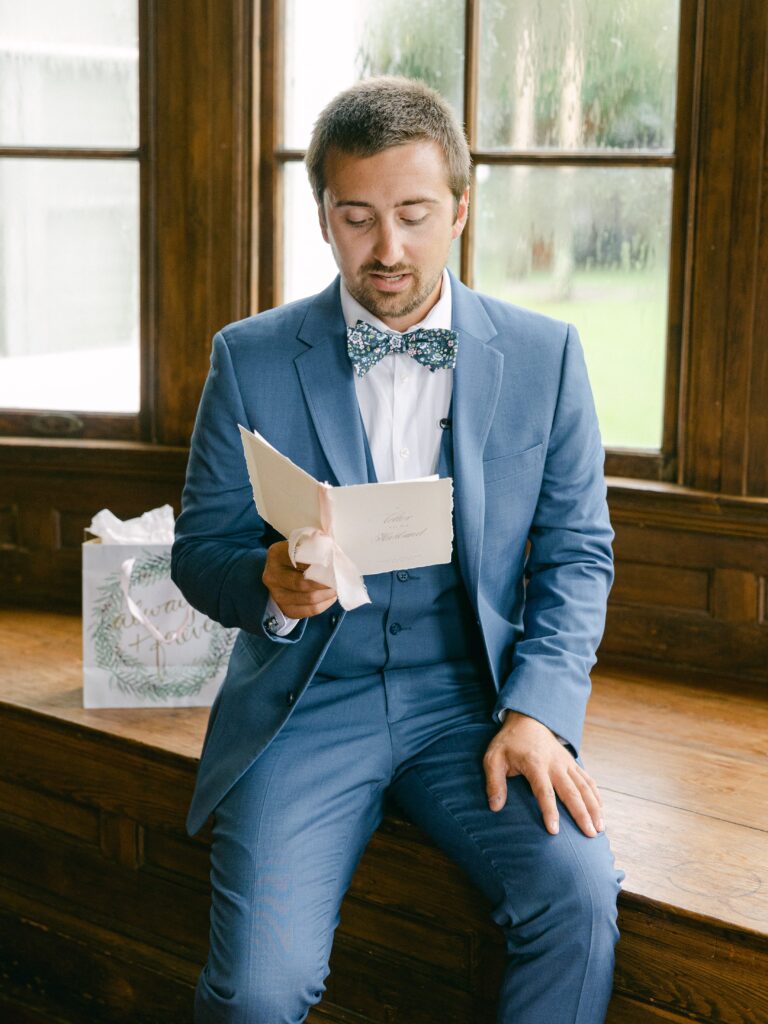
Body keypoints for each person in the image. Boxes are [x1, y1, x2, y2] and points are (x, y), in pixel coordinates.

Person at [172, 75, 623, 1024]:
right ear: (324, 218)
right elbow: (200, 548)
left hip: (473, 703)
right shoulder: (248, 357)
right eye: (357, 217)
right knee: (256, 993)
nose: (388, 249)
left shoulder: (547, 356)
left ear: (461, 207)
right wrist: (265, 581)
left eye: (416, 214)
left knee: (579, 902)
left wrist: (540, 710)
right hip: (305, 709)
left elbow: (579, 553)